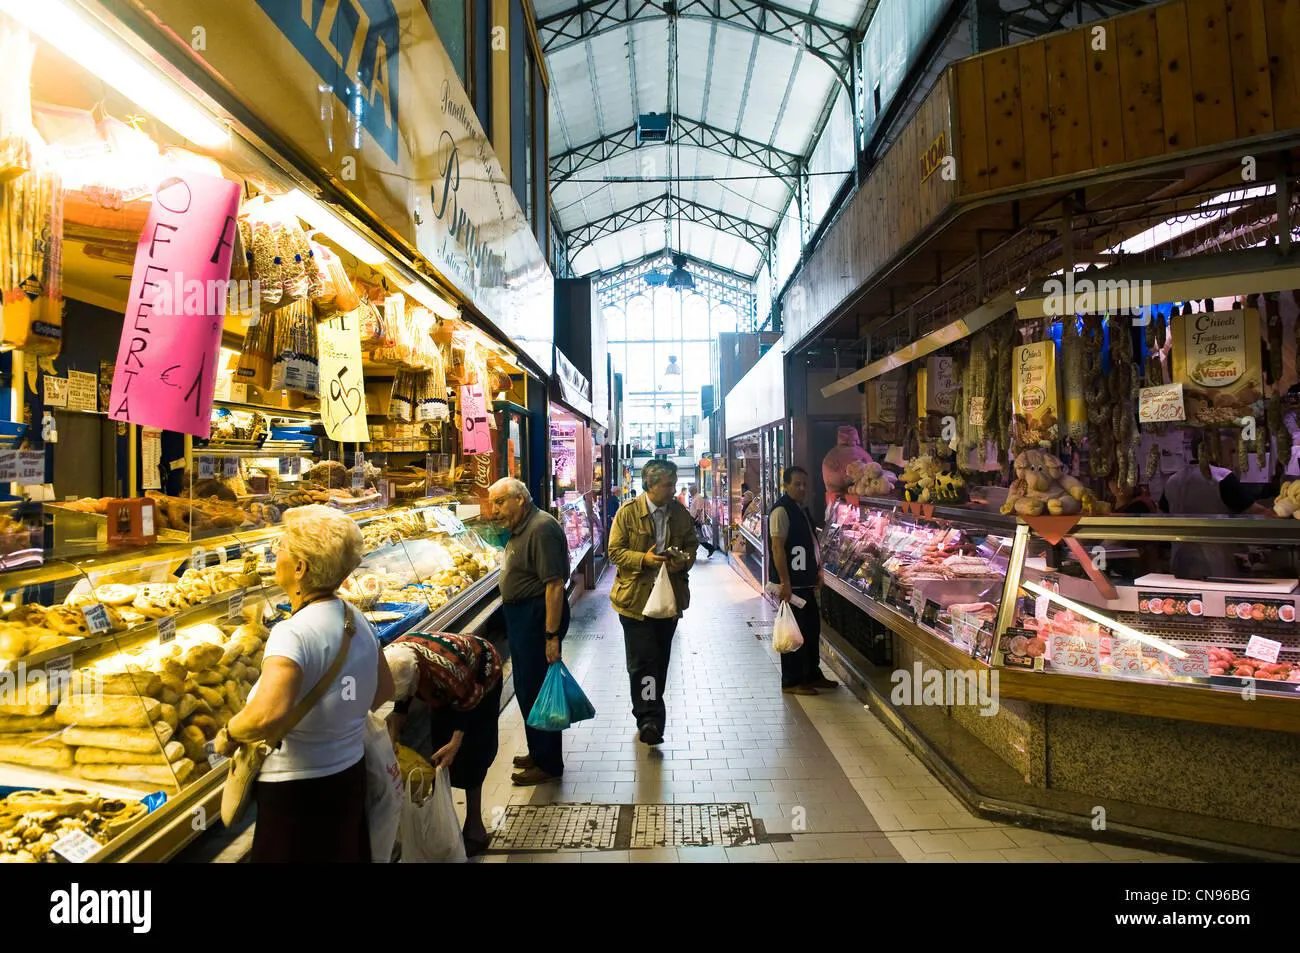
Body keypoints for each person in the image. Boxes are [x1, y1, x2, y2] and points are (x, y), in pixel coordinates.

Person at [213, 504, 394, 863]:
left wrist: (229, 734)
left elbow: (267, 715)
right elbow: (383, 689)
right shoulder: (353, 617)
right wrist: (338, 724)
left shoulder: (292, 633)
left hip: (298, 793)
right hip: (349, 775)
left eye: (280, 547)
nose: (274, 554)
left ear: (300, 568)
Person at [383, 631, 503, 856]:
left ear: (419, 674)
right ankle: (445, 825)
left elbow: (469, 699)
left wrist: (456, 741)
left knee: (473, 751)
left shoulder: (446, 668)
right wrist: (397, 720)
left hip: (481, 676)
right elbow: (401, 686)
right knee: (440, 750)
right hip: (447, 684)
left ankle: (475, 829)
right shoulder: (392, 657)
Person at [608, 459, 699, 745]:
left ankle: (651, 712)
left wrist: (682, 561)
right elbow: (614, 551)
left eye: (674, 484)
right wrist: (643, 559)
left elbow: (692, 545)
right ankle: (649, 718)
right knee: (642, 662)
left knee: (659, 661)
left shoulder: (679, 513)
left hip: (669, 599)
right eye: (668, 485)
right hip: (635, 601)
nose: (673, 490)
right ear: (650, 485)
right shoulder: (628, 513)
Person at [488, 477, 570, 785]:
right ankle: (537, 751)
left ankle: (548, 763)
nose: (494, 510)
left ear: (520, 499)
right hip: (522, 617)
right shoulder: (521, 527)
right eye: (493, 504)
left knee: (539, 690)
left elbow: (554, 585)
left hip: (537, 617)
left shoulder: (541, 528)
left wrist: (551, 636)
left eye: (500, 502)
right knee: (526, 688)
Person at [1159, 433, 1270, 578]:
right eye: (1231, 451)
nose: (1233, 457)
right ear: (1215, 450)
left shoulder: (1173, 479)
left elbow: (1163, 510)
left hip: (1180, 558)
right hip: (1216, 561)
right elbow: (1251, 509)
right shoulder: (1222, 477)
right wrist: (1276, 511)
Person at [769, 466, 838, 695]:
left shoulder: (801, 509)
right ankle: (792, 681)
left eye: (805, 484)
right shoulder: (781, 511)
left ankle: (811, 674)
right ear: (785, 485)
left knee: (810, 631)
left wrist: (818, 571)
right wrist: (785, 583)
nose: (802, 488)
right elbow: (777, 548)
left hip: (806, 582)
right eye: (797, 484)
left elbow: (811, 544)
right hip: (793, 585)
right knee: (794, 632)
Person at [687, 483, 717, 558]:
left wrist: (696, 520)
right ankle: (707, 548)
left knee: (698, 537)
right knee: (697, 537)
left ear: (694, 490)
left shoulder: (698, 498)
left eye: (690, 491)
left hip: (696, 521)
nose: (690, 492)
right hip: (694, 520)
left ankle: (710, 548)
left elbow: (699, 510)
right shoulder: (695, 497)